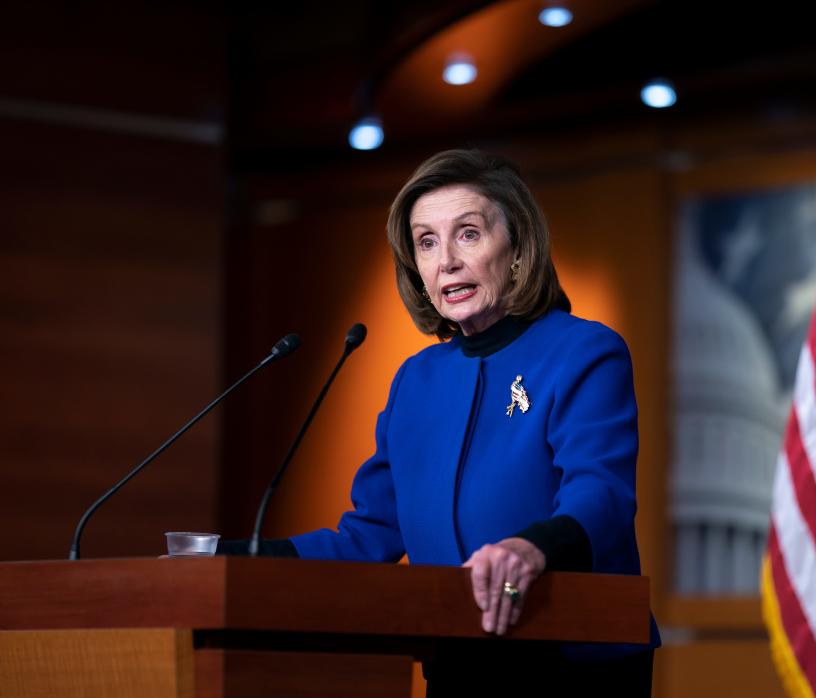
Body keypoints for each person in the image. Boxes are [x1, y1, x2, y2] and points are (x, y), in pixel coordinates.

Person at [225, 149, 660, 695]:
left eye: (468, 234)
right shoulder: (416, 380)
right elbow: (370, 536)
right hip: (456, 662)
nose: (446, 261)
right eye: (426, 241)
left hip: (573, 666)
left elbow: (602, 495)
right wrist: (235, 560)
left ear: (518, 248)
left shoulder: (583, 351)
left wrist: (528, 548)